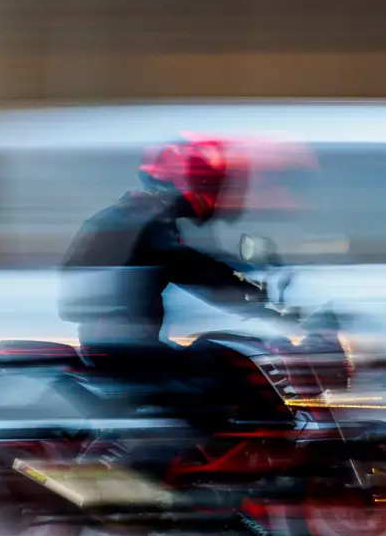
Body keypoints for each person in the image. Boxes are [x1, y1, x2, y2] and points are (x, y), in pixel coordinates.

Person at [57, 136, 299, 490]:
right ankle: (166, 479)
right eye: (209, 184)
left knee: (213, 356)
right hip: (122, 345)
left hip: (121, 339)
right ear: (182, 181)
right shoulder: (144, 221)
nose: (215, 194)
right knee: (211, 380)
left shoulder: (138, 217)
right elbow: (194, 269)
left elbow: (194, 267)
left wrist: (249, 296)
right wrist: (256, 295)